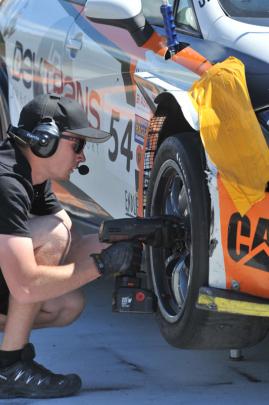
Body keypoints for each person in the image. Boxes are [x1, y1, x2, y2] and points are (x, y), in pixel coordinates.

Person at [0, 93, 141, 399]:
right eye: (77, 145)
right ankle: (9, 367)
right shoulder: (7, 182)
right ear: (44, 140)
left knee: (66, 305)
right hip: (21, 280)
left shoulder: (32, 177)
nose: (82, 156)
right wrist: (102, 265)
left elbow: (74, 245)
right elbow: (25, 285)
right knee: (52, 236)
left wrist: (129, 236)